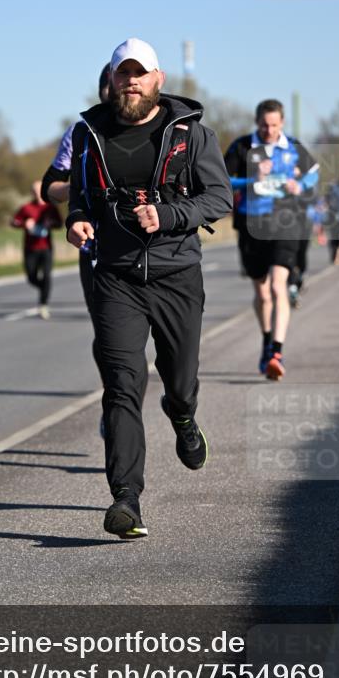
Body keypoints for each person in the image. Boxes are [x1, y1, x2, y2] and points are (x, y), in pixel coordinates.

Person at [67, 38, 232, 540]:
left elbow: (219, 198)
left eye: (140, 73)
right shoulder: (89, 133)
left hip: (176, 274)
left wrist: (169, 215)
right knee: (122, 385)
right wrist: (76, 220)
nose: (132, 81)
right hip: (116, 276)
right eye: (124, 73)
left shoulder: (192, 133)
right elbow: (80, 197)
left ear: (158, 79)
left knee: (179, 380)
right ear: (112, 79)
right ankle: (126, 500)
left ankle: (182, 416)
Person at [224, 99, 318, 380]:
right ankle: (267, 341)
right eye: (264, 125)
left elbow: (313, 174)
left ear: (282, 123)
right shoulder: (242, 147)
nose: (269, 130)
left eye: (274, 125)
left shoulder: (293, 147)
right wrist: (250, 180)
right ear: (257, 122)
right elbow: (221, 179)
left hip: (286, 221)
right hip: (251, 225)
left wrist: (299, 185)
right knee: (262, 293)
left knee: (279, 287)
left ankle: (276, 352)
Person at [42, 64, 110, 433]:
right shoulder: (81, 131)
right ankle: (114, 401)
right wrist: (80, 187)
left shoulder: (156, 127)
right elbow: (49, 186)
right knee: (108, 333)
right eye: (110, 85)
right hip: (96, 250)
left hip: (149, 251)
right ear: (102, 91)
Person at [11, 181, 62, 319]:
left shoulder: (50, 207)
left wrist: (51, 223)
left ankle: (43, 304)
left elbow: (59, 224)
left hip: (46, 248)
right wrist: (24, 224)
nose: (37, 193)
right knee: (31, 277)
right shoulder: (26, 208)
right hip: (30, 248)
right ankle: (44, 288)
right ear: (31, 192)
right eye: (34, 191)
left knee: (46, 276)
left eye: (39, 190)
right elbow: (14, 222)